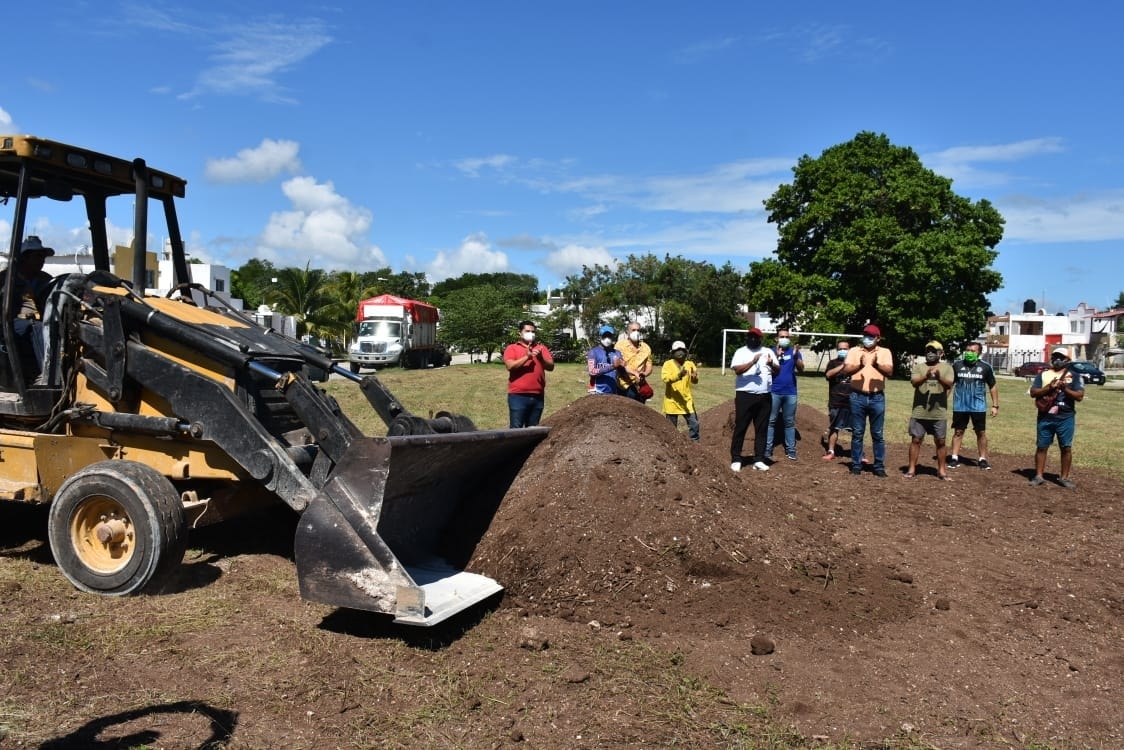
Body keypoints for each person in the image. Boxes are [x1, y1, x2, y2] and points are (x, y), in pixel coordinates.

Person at [1028, 347, 1084, 488]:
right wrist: (1049, 387)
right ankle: (1039, 475)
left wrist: (1065, 388)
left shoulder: (1075, 376)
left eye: (1060, 357)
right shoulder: (1044, 375)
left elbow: (1079, 396)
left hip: (1065, 417)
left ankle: (1064, 477)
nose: (1057, 359)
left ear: (1067, 360)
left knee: (1066, 447)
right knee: (1042, 446)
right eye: (1055, 356)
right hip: (1045, 417)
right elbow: (1033, 392)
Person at [842, 323, 893, 477]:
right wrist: (860, 365)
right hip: (857, 396)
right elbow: (846, 371)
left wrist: (876, 364)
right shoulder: (854, 351)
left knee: (877, 433)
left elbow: (889, 371)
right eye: (865, 335)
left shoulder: (885, 352)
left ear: (878, 338)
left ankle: (878, 466)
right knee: (857, 432)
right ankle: (856, 464)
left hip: (877, 397)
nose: (867, 339)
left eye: (871, 336)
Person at [729, 326, 780, 472]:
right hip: (745, 395)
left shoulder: (768, 351)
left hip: (764, 395)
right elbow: (737, 371)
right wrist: (752, 362)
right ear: (747, 338)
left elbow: (778, 370)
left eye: (756, 337)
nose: (753, 339)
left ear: (760, 338)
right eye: (750, 336)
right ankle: (736, 458)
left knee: (762, 428)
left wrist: (771, 364)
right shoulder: (741, 352)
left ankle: (759, 458)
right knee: (741, 427)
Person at [1, 236, 55, 371]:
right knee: (37, 328)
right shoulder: (6, 279)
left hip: (38, 322)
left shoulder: (46, 279)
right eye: (37, 256)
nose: (42, 260)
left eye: (43, 257)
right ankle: (48, 375)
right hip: (10, 324)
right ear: (24, 258)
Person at [905, 341, 955, 479]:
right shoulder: (919, 367)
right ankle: (911, 469)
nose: (930, 353)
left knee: (940, 442)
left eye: (934, 351)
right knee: (916, 440)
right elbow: (914, 383)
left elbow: (949, 384)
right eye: (928, 351)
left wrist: (939, 378)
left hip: (939, 412)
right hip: (920, 411)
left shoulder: (947, 368)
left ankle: (942, 470)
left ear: (941, 353)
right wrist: (925, 377)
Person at [949, 342, 999, 470]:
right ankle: (954, 457)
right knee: (958, 431)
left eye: (973, 351)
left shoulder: (986, 367)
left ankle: (982, 459)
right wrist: (943, 401)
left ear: (979, 353)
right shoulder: (957, 365)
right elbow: (950, 385)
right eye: (967, 350)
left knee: (980, 432)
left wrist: (995, 405)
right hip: (960, 405)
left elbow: (992, 386)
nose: (969, 353)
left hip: (978, 406)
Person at [502, 320, 555, 428]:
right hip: (518, 396)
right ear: (520, 333)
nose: (531, 333)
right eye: (527, 331)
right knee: (516, 429)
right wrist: (527, 357)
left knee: (533, 429)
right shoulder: (512, 348)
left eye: (533, 331)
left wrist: (540, 358)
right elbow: (510, 366)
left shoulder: (541, 348)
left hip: (537, 396)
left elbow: (551, 367)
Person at [765, 328, 804, 460]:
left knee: (789, 422)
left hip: (790, 392)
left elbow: (801, 368)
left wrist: (795, 356)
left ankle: (791, 450)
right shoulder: (769, 351)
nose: (784, 338)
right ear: (776, 338)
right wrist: (776, 355)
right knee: (771, 421)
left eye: (786, 336)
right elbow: (766, 368)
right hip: (774, 391)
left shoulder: (794, 351)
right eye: (781, 336)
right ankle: (768, 449)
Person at [661, 340, 699, 441]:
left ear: (685, 351)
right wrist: (679, 375)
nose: (680, 352)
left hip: (687, 401)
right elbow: (665, 379)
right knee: (671, 429)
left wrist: (695, 377)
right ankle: (672, 445)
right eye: (677, 350)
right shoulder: (667, 364)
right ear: (672, 353)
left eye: (682, 350)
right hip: (672, 401)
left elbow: (695, 381)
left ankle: (695, 445)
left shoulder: (690, 364)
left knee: (694, 424)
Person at [822, 339, 852, 461]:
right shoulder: (832, 363)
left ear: (849, 350)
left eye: (845, 349)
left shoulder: (855, 363)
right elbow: (828, 375)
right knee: (834, 427)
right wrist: (843, 366)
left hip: (852, 402)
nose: (842, 351)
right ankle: (831, 451)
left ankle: (859, 453)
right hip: (836, 401)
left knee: (857, 429)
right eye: (840, 349)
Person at [616, 321, 653, 402]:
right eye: (633, 330)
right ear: (627, 332)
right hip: (623, 385)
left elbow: (649, 366)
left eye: (638, 330)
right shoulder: (620, 345)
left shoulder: (646, 348)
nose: (636, 332)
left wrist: (645, 373)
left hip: (639, 385)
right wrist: (635, 373)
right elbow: (620, 364)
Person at [587, 324, 624, 395]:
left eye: (609, 336)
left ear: (613, 337)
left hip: (613, 391)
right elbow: (592, 372)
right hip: (597, 391)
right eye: (604, 336)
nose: (607, 338)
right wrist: (612, 366)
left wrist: (623, 367)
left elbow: (622, 373)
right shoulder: (593, 352)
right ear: (600, 337)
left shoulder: (617, 353)